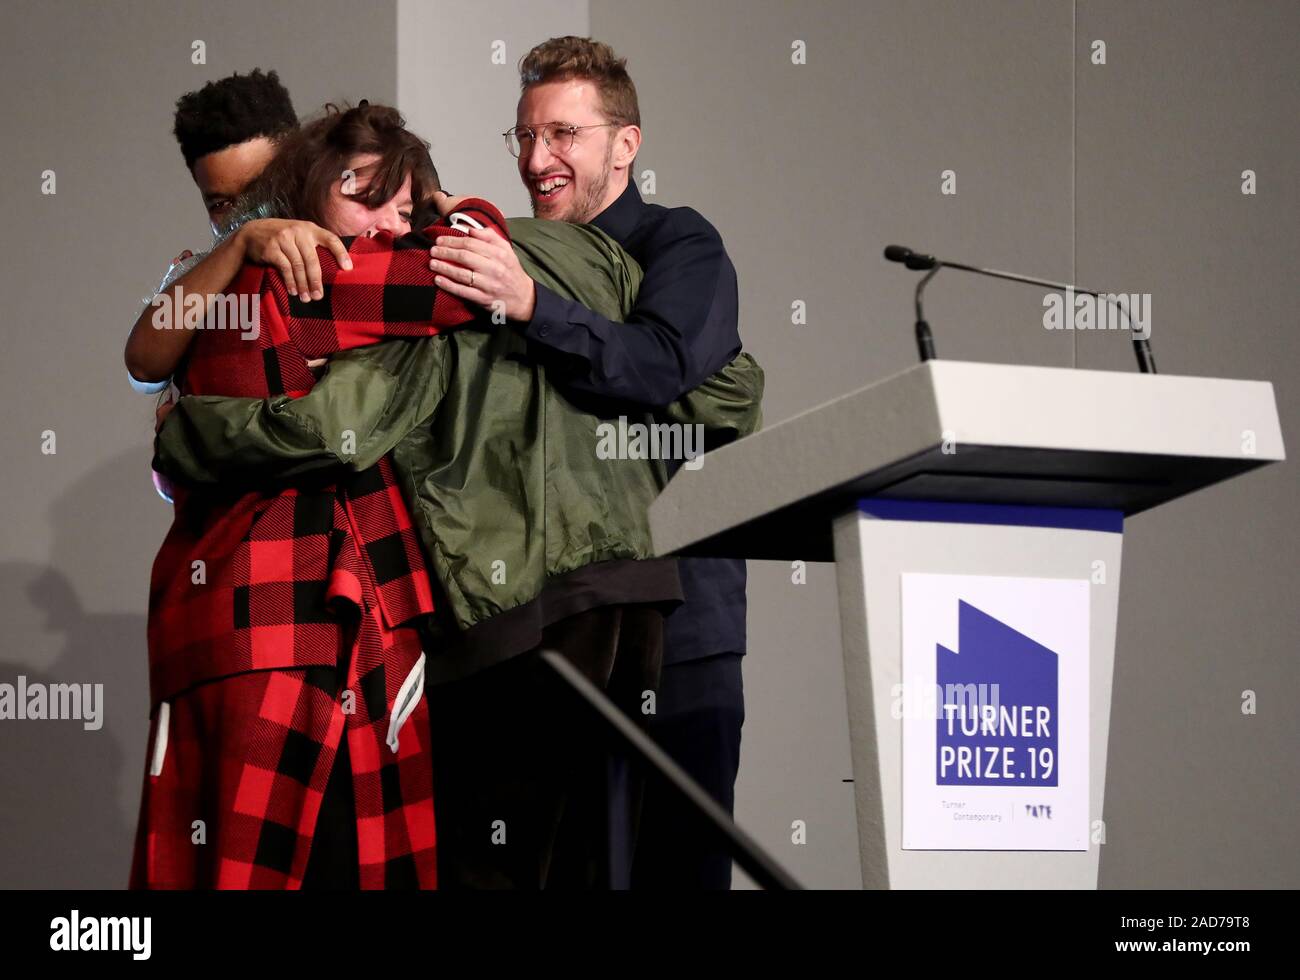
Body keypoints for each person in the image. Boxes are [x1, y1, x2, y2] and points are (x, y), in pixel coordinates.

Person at [153, 172, 764, 888]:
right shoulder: (610, 267)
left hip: (510, 614)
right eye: (529, 135)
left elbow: (336, 428)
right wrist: (583, 327)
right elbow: (734, 397)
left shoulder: (432, 276)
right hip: (637, 602)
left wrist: (185, 432)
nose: (540, 159)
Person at [128, 102, 510, 889]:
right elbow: (471, 276)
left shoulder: (222, 288)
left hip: (214, 624)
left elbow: (149, 365)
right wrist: (457, 210)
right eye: (359, 193)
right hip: (284, 622)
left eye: (393, 206)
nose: (378, 224)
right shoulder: (315, 275)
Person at [425, 36, 750, 889]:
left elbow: (658, 366)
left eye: (564, 135)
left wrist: (531, 307)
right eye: (525, 137)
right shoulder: (504, 255)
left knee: (676, 874)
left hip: (681, 636)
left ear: (626, 142)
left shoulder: (680, 246)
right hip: (553, 628)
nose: (538, 160)